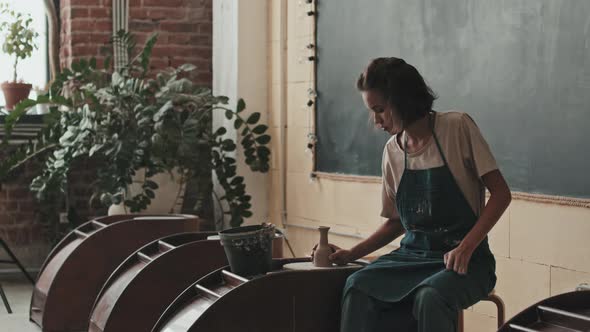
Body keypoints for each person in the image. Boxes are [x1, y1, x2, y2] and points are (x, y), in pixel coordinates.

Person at [316, 57, 512, 332]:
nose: (376, 121)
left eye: (380, 110)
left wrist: (466, 247)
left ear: (402, 99)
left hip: (468, 262)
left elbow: (501, 194)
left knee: (430, 296)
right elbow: (397, 222)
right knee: (357, 286)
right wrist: (351, 253)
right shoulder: (392, 152)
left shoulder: (457, 127)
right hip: (411, 258)